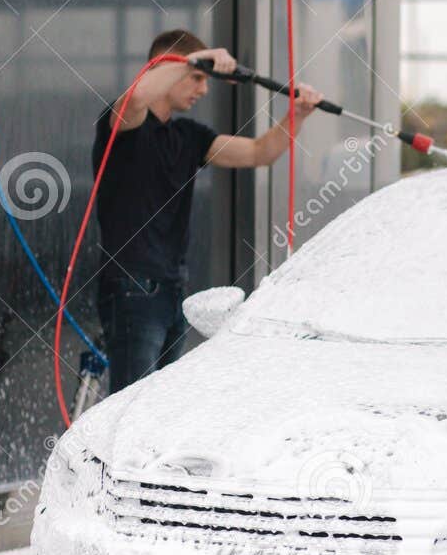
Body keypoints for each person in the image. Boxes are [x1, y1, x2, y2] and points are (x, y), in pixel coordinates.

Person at [93, 28, 321, 394]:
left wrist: (297, 115)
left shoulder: (190, 136)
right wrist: (194, 60)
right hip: (131, 289)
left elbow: (259, 153)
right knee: (130, 406)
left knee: (162, 406)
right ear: (166, 68)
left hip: (172, 290)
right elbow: (138, 94)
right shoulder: (124, 122)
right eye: (197, 78)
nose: (204, 88)